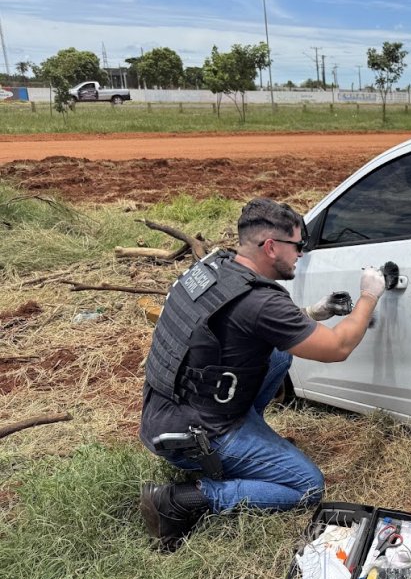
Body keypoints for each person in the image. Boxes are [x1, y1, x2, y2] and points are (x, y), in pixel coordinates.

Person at [138, 197, 386, 552]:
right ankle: (183, 498)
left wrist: (312, 313)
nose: (301, 254)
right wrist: (368, 296)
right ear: (271, 246)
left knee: (279, 353)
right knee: (306, 486)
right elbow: (337, 348)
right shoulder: (262, 301)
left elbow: (242, 328)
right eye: (298, 245)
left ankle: (248, 442)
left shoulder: (216, 268)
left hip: (166, 411)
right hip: (195, 435)